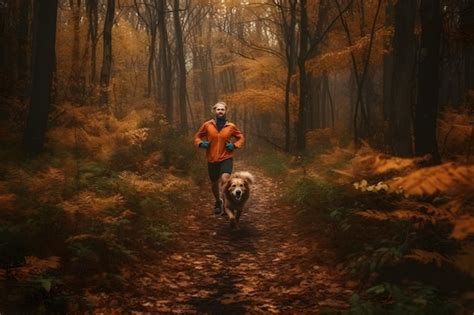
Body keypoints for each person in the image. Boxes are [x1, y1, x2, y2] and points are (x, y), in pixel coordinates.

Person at [194, 101, 245, 214]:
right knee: (214, 183)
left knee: (225, 180)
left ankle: (227, 205)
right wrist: (201, 143)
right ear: (214, 111)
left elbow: (241, 137)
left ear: (226, 111)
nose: (220, 111)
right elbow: (197, 136)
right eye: (218, 109)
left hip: (226, 157)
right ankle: (218, 201)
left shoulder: (231, 126)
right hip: (212, 159)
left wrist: (234, 145)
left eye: (222, 109)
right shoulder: (207, 125)